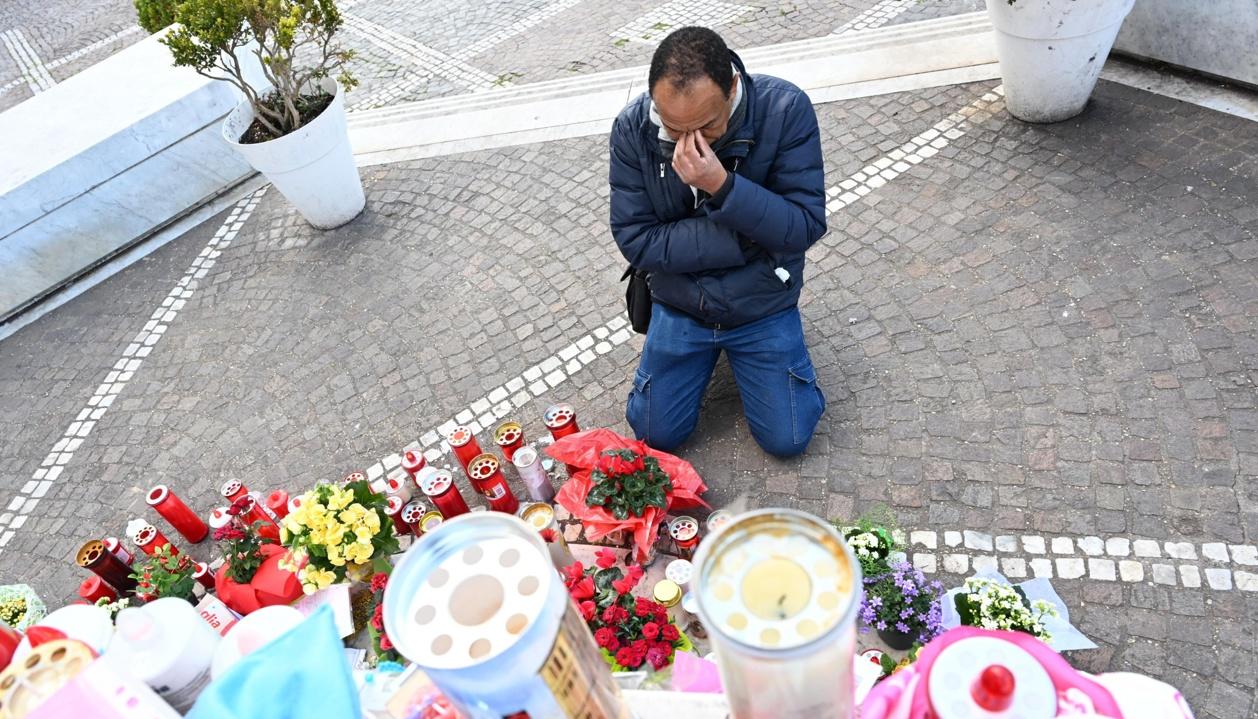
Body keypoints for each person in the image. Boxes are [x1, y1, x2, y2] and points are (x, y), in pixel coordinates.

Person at [609, 26, 827, 457]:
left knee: (790, 440)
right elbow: (637, 239)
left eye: (706, 127)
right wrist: (746, 239)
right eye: (674, 129)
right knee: (655, 437)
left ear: (732, 87)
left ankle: (774, 363)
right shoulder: (632, 128)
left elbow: (803, 225)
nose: (690, 144)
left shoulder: (784, 108)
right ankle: (703, 356)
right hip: (680, 303)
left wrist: (722, 187)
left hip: (760, 302)